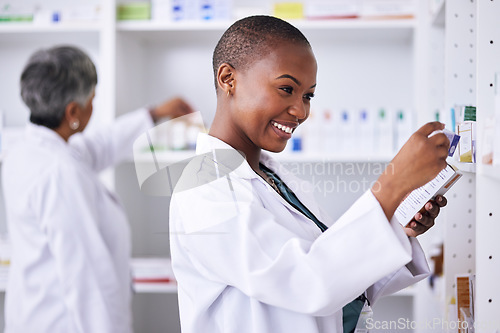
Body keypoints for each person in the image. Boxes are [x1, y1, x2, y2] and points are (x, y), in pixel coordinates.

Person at [169, 15, 450, 333]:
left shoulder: (277, 180)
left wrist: (397, 228)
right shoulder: (203, 189)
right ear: (228, 79)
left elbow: (335, 275)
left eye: (308, 96)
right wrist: (393, 183)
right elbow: (306, 283)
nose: (301, 111)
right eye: (286, 89)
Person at [1, 46, 193, 333]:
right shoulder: (59, 173)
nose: (94, 103)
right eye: (92, 98)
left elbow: (99, 145)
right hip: (63, 322)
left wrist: (154, 114)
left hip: (34, 314)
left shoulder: (28, 150)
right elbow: (87, 278)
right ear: (73, 112)